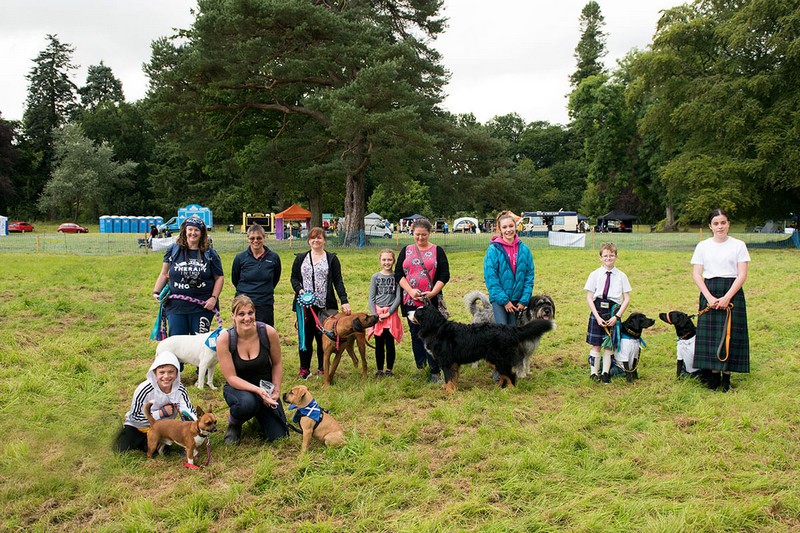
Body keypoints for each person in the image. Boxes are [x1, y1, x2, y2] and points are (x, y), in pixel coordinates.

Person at [691, 208, 750, 392]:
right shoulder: (703, 246)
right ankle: (713, 378)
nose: (720, 227)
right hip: (709, 292)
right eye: (716, 223)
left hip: (732, 292)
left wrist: (727, 297)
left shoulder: (739, 245)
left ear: (728, 224)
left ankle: (727, 379)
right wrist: (709, 297)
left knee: (730, 335)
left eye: (723, 222)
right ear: (710, 226)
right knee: (713, 336)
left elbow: (742, 275)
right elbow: (696, 274)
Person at [216, 295, 288, 445]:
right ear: (233, 316)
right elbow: (231, 377)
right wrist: (257, 391)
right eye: (241, 314)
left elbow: (277, 364)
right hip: (238, 388)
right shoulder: (225, 339)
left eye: (250, 313)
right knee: (247, 403)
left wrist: (275, 391)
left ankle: (259, 416)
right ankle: (235, 422)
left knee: (279, 437)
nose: (247, 318)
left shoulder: (268, 333)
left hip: (265, 388)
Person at [290, 227, 351, 379]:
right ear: (309, 240)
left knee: (322, 337)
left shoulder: (331, 259)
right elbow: (294, 278)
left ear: (324, 240)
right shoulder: (300, 258)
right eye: (313, 238)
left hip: (326, 306)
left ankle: (322, 368)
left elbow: (338, 281)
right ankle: (304, 369)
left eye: (319, 238)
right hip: (305, 306)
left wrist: (344, 301)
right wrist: (299, 290)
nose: (316, 240)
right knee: (305, 336)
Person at [395, 218, 450, 383]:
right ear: (412, 233)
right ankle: (421, 367)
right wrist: (410, 291)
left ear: (430, 233)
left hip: (430, 303)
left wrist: (433, 293)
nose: (420, 238)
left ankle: (435, 370)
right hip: (410, 301)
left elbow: (444, 274)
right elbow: (399, 274)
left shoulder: (437, 251)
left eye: (423, 235)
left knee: (433, 336)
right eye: (417, 235)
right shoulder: (406, 250)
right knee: (415, 334)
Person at [152, 217, 224, 336]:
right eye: (190, 229)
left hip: (202, 306)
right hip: (176, 306)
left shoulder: (210, 253)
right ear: (185, 231)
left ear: (202, 233)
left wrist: (213, 298)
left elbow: (219, 278)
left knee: (199, 344)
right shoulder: (173, 250)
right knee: (177, 343)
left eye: (196, 230)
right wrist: (157, 291)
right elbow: (165, 273)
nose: (193, 233)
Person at [115, 351, 196, 453]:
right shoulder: (144, 389)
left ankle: (158, 444)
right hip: (139, 426)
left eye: (171, 372)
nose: (166, 376)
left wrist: (197, 426)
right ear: (155, 373)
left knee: (160, 451)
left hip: (163, 430)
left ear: (176, 373)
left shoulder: (180, 390)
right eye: (162, 372)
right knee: (120, 448)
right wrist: (161, 413)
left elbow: (189, 411)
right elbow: (134, 416)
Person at [584, 242, 631, 383]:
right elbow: (589, 297)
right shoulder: (594, 274)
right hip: (598, 310)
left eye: (611, 255)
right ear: (600, 258)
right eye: (605, 256)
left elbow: (627, 298)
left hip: (613, 311)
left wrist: (617, 316)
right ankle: (594, 373)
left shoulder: (622, 276)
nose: (608, 258)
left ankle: (605, 373)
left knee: (609, 344)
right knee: (596, 344)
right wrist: (597, 317)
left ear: (616, 257)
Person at [484, 211, 535, 326]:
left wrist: (524, 299)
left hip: (517, 300)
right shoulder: (493, 250)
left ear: (516, 227)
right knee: (502, 333)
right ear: (500, 230)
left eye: (511, 226)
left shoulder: (525, 250)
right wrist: (505, 301)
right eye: (504, 227)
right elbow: (491, 278)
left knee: (514, 335)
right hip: (500, 300)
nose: (508, 230)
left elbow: (529, 276)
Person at [231, 224, 281, 327]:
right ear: (247, 238)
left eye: (259, 238)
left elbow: (275, 278)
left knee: (264, 336)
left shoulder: (274, 257)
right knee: (242, 336)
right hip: (243, 303)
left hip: (264, 303)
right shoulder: (240, 258)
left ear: (264, 237)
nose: (255, 241)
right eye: (252, 238)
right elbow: (235, 279)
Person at [367, 249, 403, 377]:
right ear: (380, 260)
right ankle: (379, 370)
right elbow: (371, 298)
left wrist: (389, 312)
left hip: (390, 315)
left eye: (389, 259)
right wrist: (375, 316)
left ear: (393, 261)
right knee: (379, 343)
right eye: (384, 259)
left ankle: (389, 370)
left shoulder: (396, 277)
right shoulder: (375, 277)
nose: (386, 262)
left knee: (389, 343)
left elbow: (399, 297)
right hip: (378, 315)